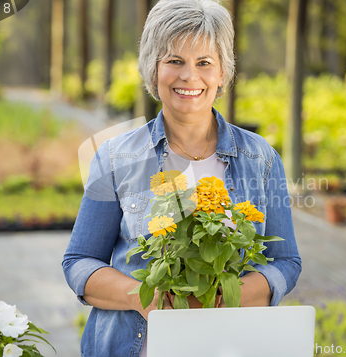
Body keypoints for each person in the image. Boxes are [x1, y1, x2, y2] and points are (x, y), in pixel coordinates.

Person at [62, 0, 301, 356]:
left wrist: (222, 301)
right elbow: (80, 262)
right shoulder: (115, 157)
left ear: (222, 73)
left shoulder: (260, 157)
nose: (190, 76)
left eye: (204, 63)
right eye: (175, 61)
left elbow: (286, 262)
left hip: (231, 345)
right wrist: (148, 298)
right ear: (153, 70)